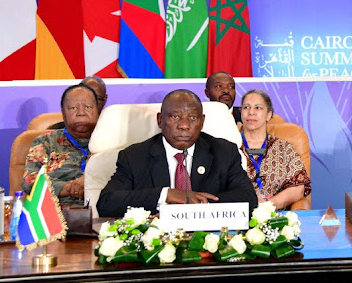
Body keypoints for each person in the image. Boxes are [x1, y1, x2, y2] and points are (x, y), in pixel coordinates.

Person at [96, 89, 256, 217]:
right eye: (175, 116)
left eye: (193, 118)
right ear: (160, 120)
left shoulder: (224, 152)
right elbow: (106, 203)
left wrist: (192, 210)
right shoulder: (135, 156)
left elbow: (248, 198)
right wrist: (166, 195)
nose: (184, 125)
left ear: (202, 122)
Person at [22, 84, 99, 208]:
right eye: (73, 108)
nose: (81, 113)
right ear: (63, 113)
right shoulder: (46, 141)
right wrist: (69, 188)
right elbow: (29, 182)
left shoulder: (113, 140)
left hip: (103, 214)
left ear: (98, 110)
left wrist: (91, 184)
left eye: (88, 107)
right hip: (56, 216)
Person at [239, 89, 311, 210]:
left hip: (275, 214)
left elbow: (298, 187)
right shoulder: (229, 147)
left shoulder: (284, 148)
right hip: (238, 214)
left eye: (258, 108)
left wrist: (267, 206)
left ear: (269, 115)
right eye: (246, 107)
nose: (251, 112)